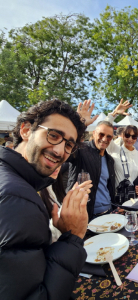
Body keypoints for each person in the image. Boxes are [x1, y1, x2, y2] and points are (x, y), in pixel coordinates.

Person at [0, 99, 90, 299]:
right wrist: (72, 236)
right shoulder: (17, 197)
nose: (59, 151)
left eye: (68, 145)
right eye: (53, 135)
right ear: (25, 130)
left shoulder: (22, 183)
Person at [67, 99, 132, 220]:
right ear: (94, 134)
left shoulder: (109, 160)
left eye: (109, 136)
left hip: (108, 212)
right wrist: (80, 125)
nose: (104, 139)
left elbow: (108, 188)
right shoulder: (81, 150)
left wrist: (116, 206)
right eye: (101, 134)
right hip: (85, 215)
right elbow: (67, 145)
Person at [106, 124, 138, 196]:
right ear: (122, 135)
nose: (130, 139)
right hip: (119, 197)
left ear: (137, 138)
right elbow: (106, 130)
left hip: (136, 197)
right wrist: (113, 115)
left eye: (134, 137)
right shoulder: (115, 150)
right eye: (127, 135)